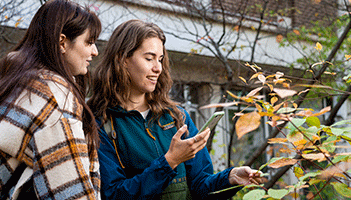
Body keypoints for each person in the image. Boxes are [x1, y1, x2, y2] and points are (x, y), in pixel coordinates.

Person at [87, 19, 262, 200]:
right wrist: (170, 161)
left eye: (160, 59)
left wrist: (229, 178)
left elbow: (200, 187)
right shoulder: (100, 123)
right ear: (122, 59)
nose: (158, 68)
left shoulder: (177, 117)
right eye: (149, 58)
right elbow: (113, 195)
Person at [0, 0, 102, 199]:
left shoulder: (14, 79)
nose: (95, 51)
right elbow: (70, 189)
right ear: (62, 43)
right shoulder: (57, 96)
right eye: (88, 42)